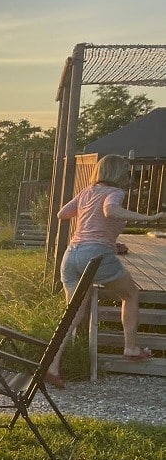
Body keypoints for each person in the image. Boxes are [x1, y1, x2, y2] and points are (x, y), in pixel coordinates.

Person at [48, 154, 166, 388]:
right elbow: (110, 211)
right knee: (130, 294)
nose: (129, 177)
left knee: (73, 315)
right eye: (127, 172)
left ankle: (52, 365)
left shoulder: (87, 192)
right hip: (96, 254)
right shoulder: (115, 193)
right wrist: (149, 217)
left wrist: (88, 215)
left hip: (71, 255)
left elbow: (62, 214)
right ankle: (131, 347)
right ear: (119, 174)